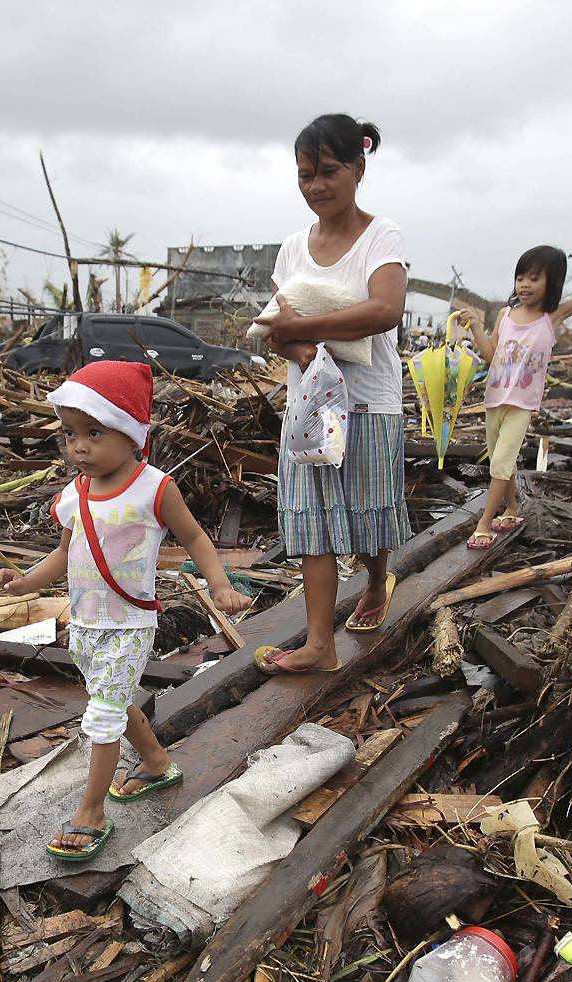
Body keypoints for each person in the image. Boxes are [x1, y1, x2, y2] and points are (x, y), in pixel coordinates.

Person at [0, 360, 249, 862]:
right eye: (70, 434)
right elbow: (63, 556)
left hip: (129, 624)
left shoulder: (155, 488)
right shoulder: (73, 495)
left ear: (131, 435)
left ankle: (91, 812)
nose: (79, 446)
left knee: (102, 714)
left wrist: (219, 584)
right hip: (84, 623)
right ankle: (154, 762)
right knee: (115, 699)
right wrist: (23, 584)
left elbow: (194, 536)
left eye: (94, 432)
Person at [252, 113, 409, 674]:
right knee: (312, 521)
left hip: (367, 403)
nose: (315, 186)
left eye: (327, 171)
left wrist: (302, 331)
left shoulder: (380, 236)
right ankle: (321, 644)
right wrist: (303, 351)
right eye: (304, 175)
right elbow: (279, 329)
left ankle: (375, 577)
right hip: (313, 404)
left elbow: (386, 310)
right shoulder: (293, 248)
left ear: (359, 167)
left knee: (367, 520)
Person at [459, 245, 572, 549]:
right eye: (520, 278)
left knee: (501, 462)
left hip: (522, 403)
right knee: (500, 461)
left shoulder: (551, 316)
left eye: (533, 278)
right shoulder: (505, 314)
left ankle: (484, 522)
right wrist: (477, 328)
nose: (524, 284)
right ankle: (513, 508)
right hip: (494, 398)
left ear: (552, 282)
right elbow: (491, 354)